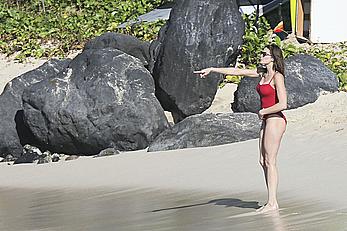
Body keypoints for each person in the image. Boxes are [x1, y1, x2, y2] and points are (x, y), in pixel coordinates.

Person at [194, 44, 287, 213]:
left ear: (272, 58)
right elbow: (237, 72)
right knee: (263, 161)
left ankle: (273, 203)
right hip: (266, 119)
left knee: (270, 161)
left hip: (275, 119)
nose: (261, 55)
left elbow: (283, 103)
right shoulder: (262, 74)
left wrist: (264, 110)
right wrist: (213, 69)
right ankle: (270, 201)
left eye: (264, 54)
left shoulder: (277, 77)